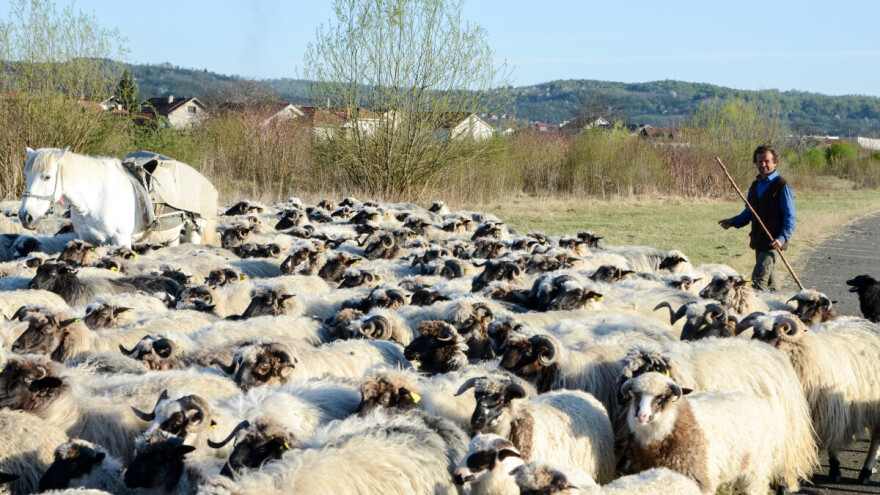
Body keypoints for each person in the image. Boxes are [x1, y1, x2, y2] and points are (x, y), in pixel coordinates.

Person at [718, 145, 796, 291]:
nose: (763, 165)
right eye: (759, 161)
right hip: (759, 241)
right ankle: (777, 310)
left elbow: (790, 218)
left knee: (758, 282)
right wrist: (733, 222)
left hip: (773, 244)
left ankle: (753, 311)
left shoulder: (782, 187)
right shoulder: (754, 186)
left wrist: (782, 238)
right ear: (756, 163)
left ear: (775, 163)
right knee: (771, 286)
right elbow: (749, 213)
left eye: (767, 161)